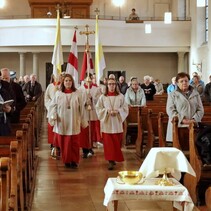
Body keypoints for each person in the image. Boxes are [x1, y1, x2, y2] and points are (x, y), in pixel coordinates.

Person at [48, 74, 88, 168]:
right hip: (62, 121)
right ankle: (66, 160)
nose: (68, 82)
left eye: (70, 80)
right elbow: (52, 106)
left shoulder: (77, 93)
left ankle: (74, 161)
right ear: (63, 82)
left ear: (72, 82)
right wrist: (53, 115)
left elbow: (81, 108)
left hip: (74, 120)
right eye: (66, 80)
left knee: (74, 142)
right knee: (65, 143)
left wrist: (83, 120)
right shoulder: (58, 93)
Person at [96, 78, 129, 170]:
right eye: (110, 84)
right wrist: (107, 111)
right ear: (107, 86)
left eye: (113, 84)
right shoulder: (103, 97)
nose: (111, 86)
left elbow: (125, 108)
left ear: (116, 85)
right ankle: (110, 160)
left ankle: (114, 158)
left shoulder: (121, 96)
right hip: (107, 123)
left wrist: (118, 111)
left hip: (117, 123)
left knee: (116, 142)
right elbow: (98, 108)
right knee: (108, 143)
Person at [166, 72, 204, 142]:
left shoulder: (196, 94)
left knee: (194, 147)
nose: (184, 83)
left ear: (189, 82)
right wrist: (182, 119)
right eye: (181, 81)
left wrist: (194, 119)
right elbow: (170, 110)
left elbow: (200, 109)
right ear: (177, 83)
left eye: (186, 81)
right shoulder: (172, 95)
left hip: (193, 125)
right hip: (178, 125)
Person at [78, 74, 102, 158]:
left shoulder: (96, 89)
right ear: (84, 80)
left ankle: (90, 147)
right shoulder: (80, 89)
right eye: (86, 79)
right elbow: (78, 101)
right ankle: (85, 149)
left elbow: (99, 100)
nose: (88, 81)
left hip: (92, 113)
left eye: (90, 79)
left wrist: (92, 99)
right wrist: (85, 101)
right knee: (84, 132)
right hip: (84, 113)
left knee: (91, 132)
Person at [44, 74, 62, 151]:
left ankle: (60, 144)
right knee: (52, 127)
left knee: (60, 127)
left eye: (60, 76)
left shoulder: (63, 86)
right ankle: (53, 144)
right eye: (56, 76)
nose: (58, 77)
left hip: (61, 110)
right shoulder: (50, 86)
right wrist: (51, 106)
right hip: (52, 110)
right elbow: (46, 98)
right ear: (53, 77)